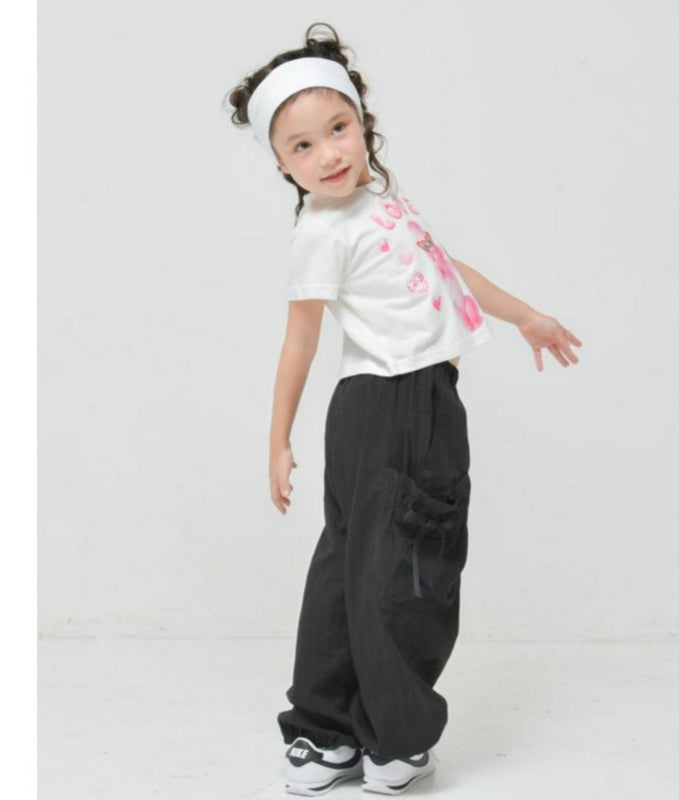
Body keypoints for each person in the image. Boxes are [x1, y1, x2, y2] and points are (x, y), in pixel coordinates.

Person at [225, 22, 582, 797]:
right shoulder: (321, 232)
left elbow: (446, 267)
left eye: (338, 128)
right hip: (393, 404)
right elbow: (299, 340)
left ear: (363, 122)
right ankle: (388, 741)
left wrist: (525, 316)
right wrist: (277, 439)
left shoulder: (380, 203)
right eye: (302, 146)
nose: (329, 154)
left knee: (356, 563)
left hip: (398, 403)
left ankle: (325, 736)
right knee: (408, 567)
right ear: (282, 164)